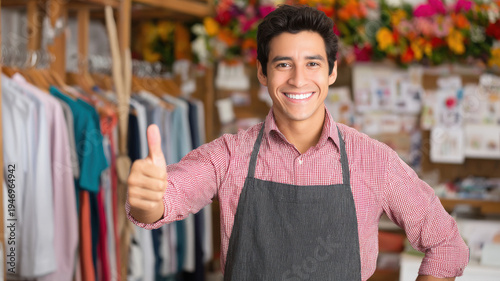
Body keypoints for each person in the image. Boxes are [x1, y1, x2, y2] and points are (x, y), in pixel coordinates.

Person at [126, 4, 469, 281]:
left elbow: (446, 244)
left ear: (332, 71)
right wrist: (147, 199)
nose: (299, 79)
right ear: (262, 72)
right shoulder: (229, 154)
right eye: (284, 64)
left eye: (313, 64)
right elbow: (164, 200)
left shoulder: (373, 160)